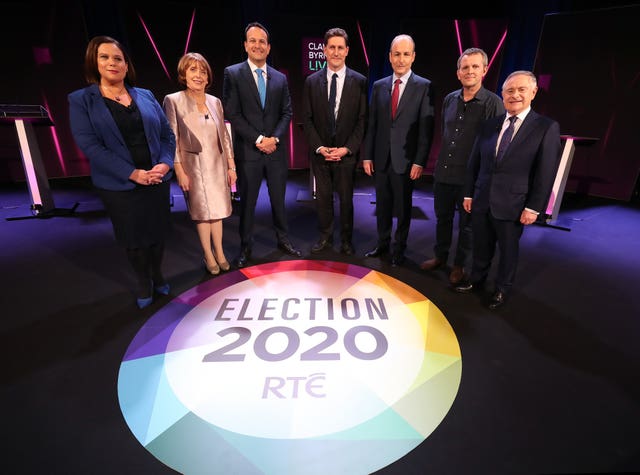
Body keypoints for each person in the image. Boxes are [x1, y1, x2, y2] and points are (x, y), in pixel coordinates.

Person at [68, 35, 175, 309]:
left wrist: (165, 163)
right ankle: (143, 280)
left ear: (126, 66)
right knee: (134, 239)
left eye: (118, 58)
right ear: (95, 62)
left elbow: (167, 135)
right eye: (105, 57)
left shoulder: (146, 96)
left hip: (156, 179)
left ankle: (158, 273)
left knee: (157, 233)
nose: (112, 63)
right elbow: (90, 145)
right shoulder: (82, 100)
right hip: (120, 185)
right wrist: (132, 173)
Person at [454, 70, 561, 309]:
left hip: (513, 203)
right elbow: (475, 162)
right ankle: (476, 279)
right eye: (509, 91)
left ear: (533, 92)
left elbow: (545, 173)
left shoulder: (546, 127)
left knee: (508, 250)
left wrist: (533, 207)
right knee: (481, 244)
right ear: (502, 95)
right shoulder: (489, 125)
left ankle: (502, 289)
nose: (515, 95)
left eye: (521, 90)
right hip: (482, 198)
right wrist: (469, 193)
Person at [420, 48, 505, 284]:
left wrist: (480, 182)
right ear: (458, 73)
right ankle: (440, 257)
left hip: (471, 179)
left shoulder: (493, 103)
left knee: (467, 227)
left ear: (484, 70)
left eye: (475, 67)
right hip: (444, 173)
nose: (470, 71)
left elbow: (491, 148)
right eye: (465, 67)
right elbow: (445, 136)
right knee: (443, 219)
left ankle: (458, 265)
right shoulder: (449, 99)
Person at [222, 21, 301, 268]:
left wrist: (274, 139)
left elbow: (286, 112)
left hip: (275, 152)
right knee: (248, 203)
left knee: (279, 199)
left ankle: (283, 239)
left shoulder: (279, 78)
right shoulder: (233, 73)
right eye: (252, 41)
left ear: (268, 47)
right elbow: (233, 113)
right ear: (245, 45)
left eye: (262, 42)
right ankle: (246, 246)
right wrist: (258, 140)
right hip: (249, 151)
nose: (257, 45)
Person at [363, 34, 435, 266]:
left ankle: (399, 249)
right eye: (397, 54)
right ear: (390, 57)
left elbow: (426, 129)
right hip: (382, 159)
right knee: (382, 206)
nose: (401, 59)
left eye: (406, 54)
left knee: (403, 209)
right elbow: (372, 125)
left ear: (413, 57)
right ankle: (382, 243)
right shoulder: (379, 85)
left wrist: (419, 161)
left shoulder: (424, 87)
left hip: (406, 161)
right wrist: (367, 155)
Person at [163, 53, 237, 276]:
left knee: (218, 211)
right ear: (184, 74)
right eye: (193, 70)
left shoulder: (215, 102)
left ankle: (220, 252)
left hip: (217, 164)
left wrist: (231, 166)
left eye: (202, 71)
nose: (198, 75)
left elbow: (224, 136)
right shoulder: (173, 100)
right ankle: (208, 254)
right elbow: (171, 137)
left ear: (208, 77)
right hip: (193, 166)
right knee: (202, 212)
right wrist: (179, 170)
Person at [302, 27, 368, 256]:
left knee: (346, 201)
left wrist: (347, 149)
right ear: (324, 50)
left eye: (341, 47)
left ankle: (347, 240)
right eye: (332, 47)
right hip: (321, 155)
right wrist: (320, 148)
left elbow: (362, 121)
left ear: (347, 50)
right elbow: (307, 120)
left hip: (346, 156)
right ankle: (325, 236)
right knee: (323, 200)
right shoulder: (311, 82)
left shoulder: (359, 81)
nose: (336, 52)